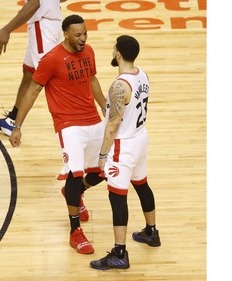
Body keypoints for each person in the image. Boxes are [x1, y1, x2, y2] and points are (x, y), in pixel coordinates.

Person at [9, 14, 106, 255]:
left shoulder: (89, 51)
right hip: (68, 124)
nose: (83, 39)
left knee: (100, 173)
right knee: (75, 173)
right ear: (65, 34)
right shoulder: (51, 59)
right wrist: (17, 126)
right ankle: (75, 232)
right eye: (78, 35)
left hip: (94, 121)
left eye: (85, 33)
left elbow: (92, 79)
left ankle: (75, 193)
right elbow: (32, 91)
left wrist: (106, 109)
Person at [89, 35, 161, 270]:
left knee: (117, 196)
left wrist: (102, 156)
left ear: (118, 53)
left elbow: (113, 124)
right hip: (141, 137)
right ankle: (151, 232)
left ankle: (119, 253)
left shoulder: (119, 86)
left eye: (113, 48)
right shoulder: (142, 74)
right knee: (141, 184)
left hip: (124, 144)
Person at [0, 0, 67, 136]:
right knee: (29, 73)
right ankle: (12, 120)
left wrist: (6, 30)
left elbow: (34, 4)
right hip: (50, 24)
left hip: (42, 27)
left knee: (50, 78)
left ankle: (75, 123)